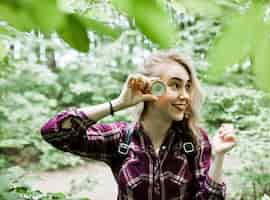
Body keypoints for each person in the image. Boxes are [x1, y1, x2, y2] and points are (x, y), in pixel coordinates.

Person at [40, 51, 237, 200]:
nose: (185, 95)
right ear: (151, 88)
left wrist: (219, 155)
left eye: (187, 87)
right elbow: (55, 132)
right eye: (175, 85)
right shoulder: (120, 138)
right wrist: (118, 103)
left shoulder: (194, 140)